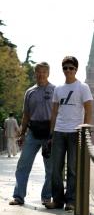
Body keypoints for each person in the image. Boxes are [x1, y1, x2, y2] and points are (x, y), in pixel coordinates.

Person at [45, 56, 93, 211]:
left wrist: (85, 130)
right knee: (55, 169)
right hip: (59, 132)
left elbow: (88, 109)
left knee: (72, 169)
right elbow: (54, 112)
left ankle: (71, 201)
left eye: (71, 67)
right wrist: (51, 134)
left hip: (75, 132)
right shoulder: (58, 89)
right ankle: (57, 200)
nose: (68, 70)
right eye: (65, 67)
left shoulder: (83, 87)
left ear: (76, 69)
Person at [9, 62, 55, 205]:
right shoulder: (29, 92)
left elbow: (57, 114)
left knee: (51, 168)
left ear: (48, 73)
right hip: (33, 132)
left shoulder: (55, 90)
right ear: (35, 73)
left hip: (49, 133)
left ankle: (46, 196)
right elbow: (26, 115)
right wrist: (22, 133)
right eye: (38, 72)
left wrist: (54, 135)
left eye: (44, 72)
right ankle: (18, 196)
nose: (41, 74)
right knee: (23, 165)